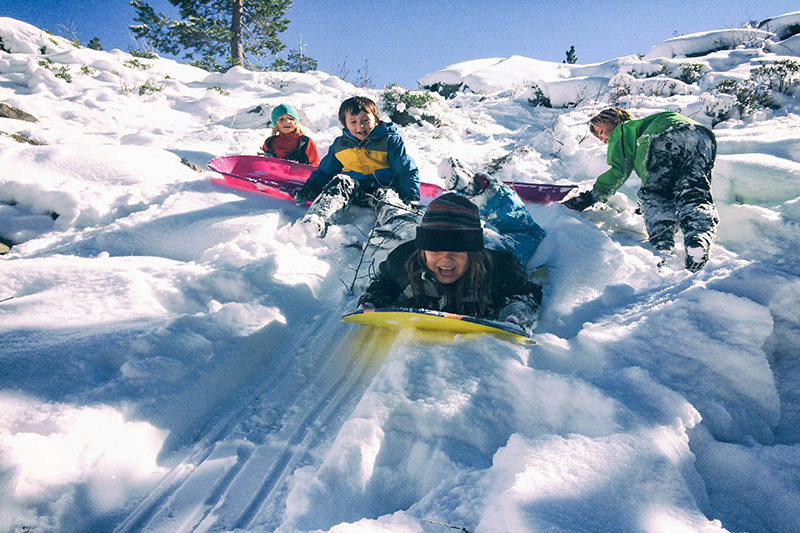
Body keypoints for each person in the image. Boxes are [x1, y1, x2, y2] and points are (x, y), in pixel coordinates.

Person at [358, 163, 546, 335]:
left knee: (527, 235)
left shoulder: (500, 268)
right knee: (402, 223)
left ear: (472, 253)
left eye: (456, 252)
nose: (446, 259)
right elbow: (385, 282)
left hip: (489, 245)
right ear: (422, 250)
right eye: (435, 251)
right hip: (455, 236)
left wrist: (516, 313)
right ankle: (389, 202)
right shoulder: (402, 262)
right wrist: (374, 300)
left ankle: (487, 191)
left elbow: (525, 293)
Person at [563, 107, 719, 272]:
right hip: (703, 137)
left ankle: (662, 245)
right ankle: (698, 238)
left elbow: (619, 170)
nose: (602, 139)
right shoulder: (647, 124)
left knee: (655, 195)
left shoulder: (623, 129)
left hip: (666, 137)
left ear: (615, 120)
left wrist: (591, 197)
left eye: (601, 132)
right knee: (694, 192)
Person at [292, 96, 420, 238]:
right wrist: (311, 187)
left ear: (376, 120)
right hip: (354, 190)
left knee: (388, 196)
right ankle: (317, 219)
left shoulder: (389, 140)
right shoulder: (340, 145)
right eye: (353, 122)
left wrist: (410, 198)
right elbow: (325, 171)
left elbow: (406, 170)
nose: (360, 126)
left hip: (383, 187)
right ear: (345, 124)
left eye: (366, 120)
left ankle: (397, 224)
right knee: (341, 181)